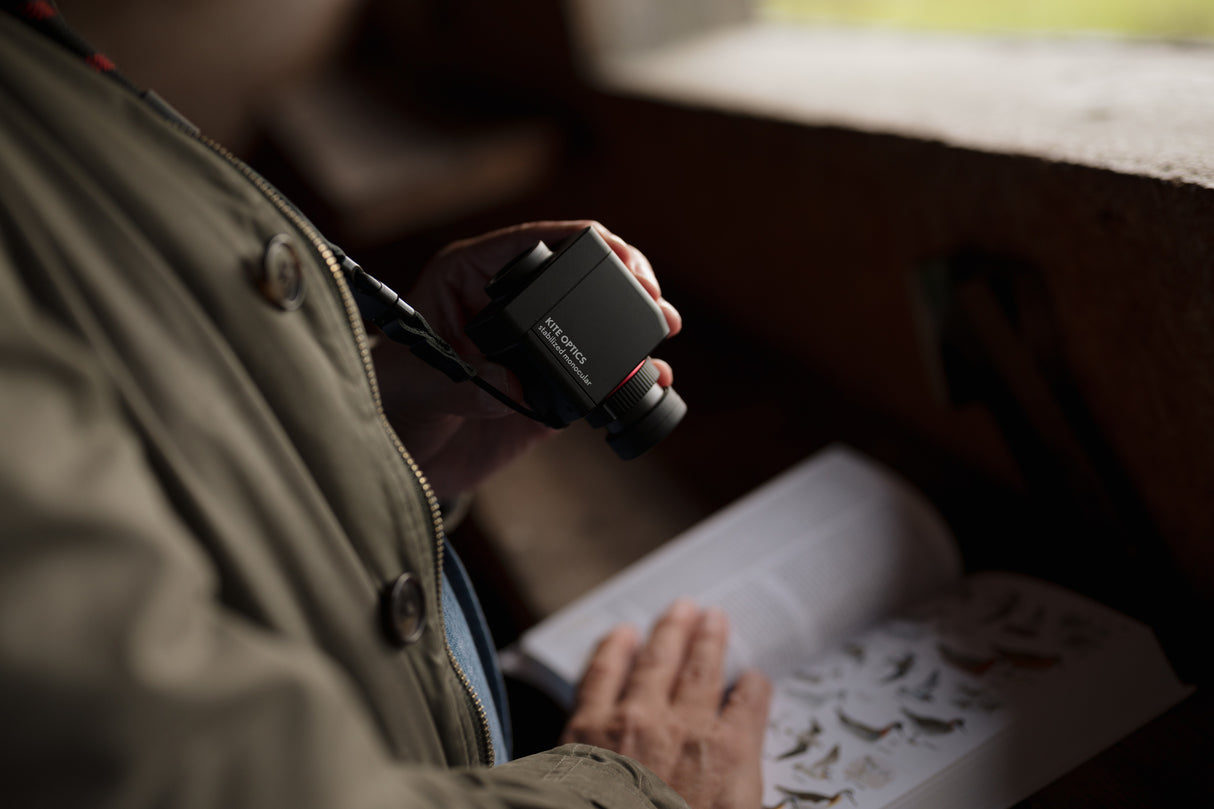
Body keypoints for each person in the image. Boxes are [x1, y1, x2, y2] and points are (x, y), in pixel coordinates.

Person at [0, 4, 772, 809]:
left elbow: (159, 475)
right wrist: (634, 794)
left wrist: (381, 432)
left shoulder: (45, 68)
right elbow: (174, 768)